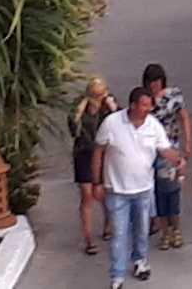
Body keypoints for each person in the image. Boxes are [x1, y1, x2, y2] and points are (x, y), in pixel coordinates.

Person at [95, 87, 184, 288]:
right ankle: (117, 275)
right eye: (144, 105)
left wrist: (178, 160)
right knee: (119, 234)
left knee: (141, 230)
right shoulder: (111, 123)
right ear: (133, 105)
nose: (147, 109)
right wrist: (97, 182)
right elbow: (98, 151)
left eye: (150, 106)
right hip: (117, 190)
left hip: (143, 189)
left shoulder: (153, 125)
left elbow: (164, 149)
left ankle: (140, 261)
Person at [142, 62, 192, 250]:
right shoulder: (145, 98)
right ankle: (164, 231)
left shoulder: (173, 95)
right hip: (149, 149)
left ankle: (175, 229)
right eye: (151, 82)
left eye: (157, 81)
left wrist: (187, 142)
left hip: (170, 146)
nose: (154, 85)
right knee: (156, 192)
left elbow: (184, 117)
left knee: (171, 189)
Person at [68, 76, 119, 256]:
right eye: (95, 95)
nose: (98, 98)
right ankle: (88, 238)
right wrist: (80, 110)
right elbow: (73, 129)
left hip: (104, 153)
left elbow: (122, 124)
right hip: (84, 153)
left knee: (104, 193)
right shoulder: (80, 106)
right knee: (87, 195)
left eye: (100, 94)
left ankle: (108, 224)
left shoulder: (108, 105)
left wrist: (112, 107)